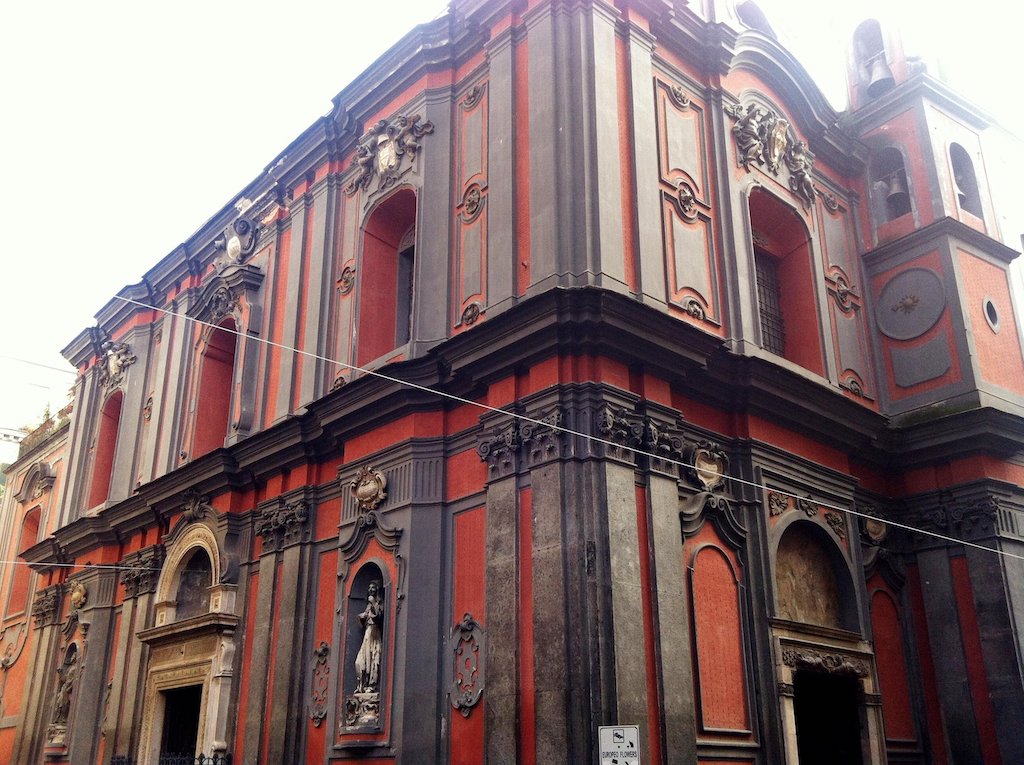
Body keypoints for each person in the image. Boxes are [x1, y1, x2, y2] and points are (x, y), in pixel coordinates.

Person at [354, 582, 383, 693]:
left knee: (373, 658)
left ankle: (371, 685)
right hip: (367, 632)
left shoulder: (378, 603)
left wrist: (374, 602)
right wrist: (362, 617)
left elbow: (378, 617)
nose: (371, 589)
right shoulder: (368, 605)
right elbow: (363, 622)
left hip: (374, 633)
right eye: (369, 587)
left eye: (373, 588)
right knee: (360, 661)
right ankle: (361, 685)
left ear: (377, 590)